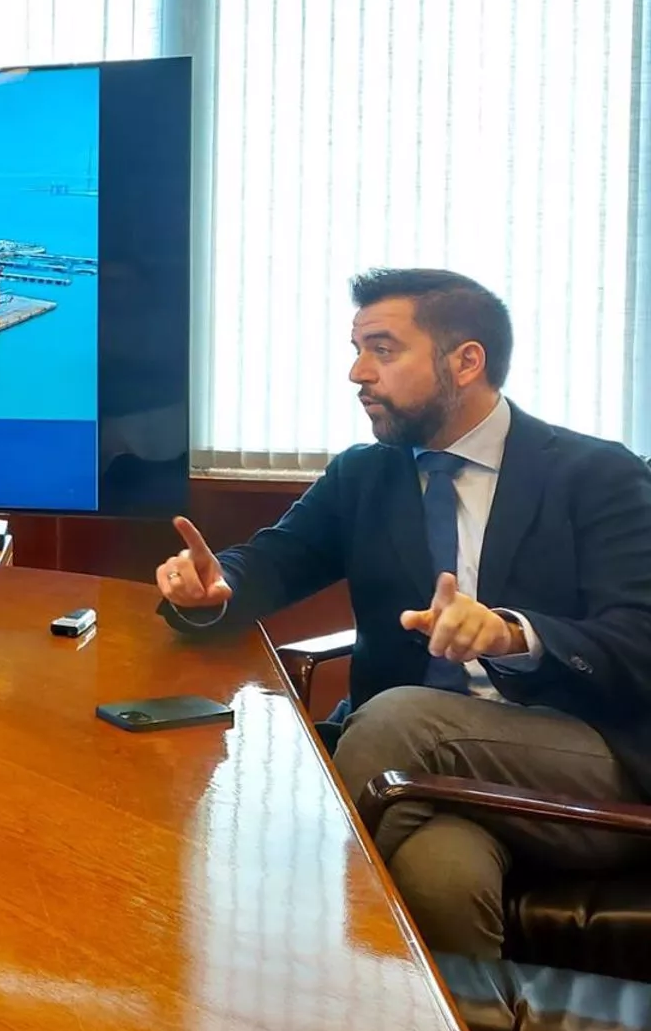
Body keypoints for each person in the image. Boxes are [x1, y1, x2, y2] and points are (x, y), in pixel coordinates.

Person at [157, 268, 651, 958]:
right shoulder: (365, 474)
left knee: (398, 717)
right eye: (357, 349)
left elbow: (638, 641)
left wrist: (513, 634)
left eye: (382, 350)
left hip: (581, 765)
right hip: (419, 781)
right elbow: (273, 562)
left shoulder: (597, 475)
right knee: (438, 874)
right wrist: (216, 587)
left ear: (466, 362)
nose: (358, 372)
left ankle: (260, 940)